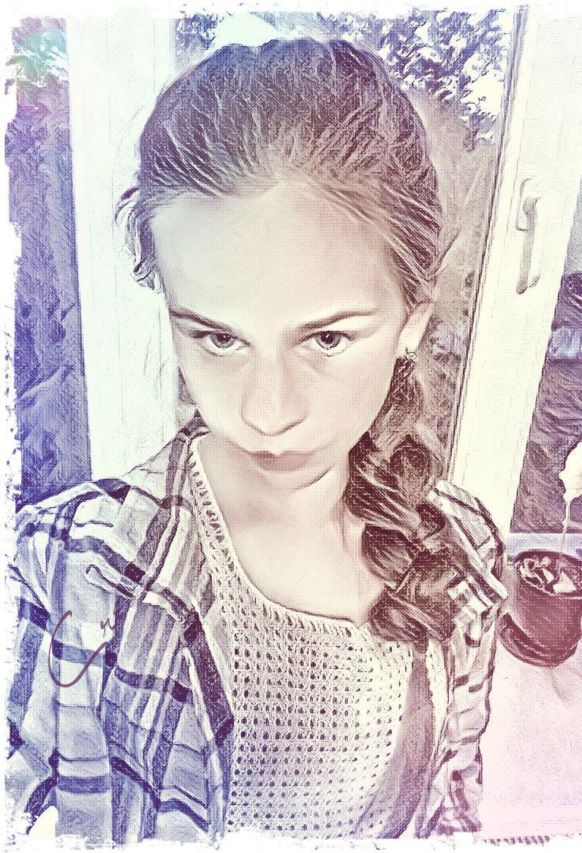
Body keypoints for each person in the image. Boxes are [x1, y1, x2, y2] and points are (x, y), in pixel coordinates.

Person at [6, 36, 508, 844]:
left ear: (412, 319)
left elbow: (451, 806)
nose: (268, 412)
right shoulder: (66, 575)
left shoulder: (465, 552)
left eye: (327, 338)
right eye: (218, 337)